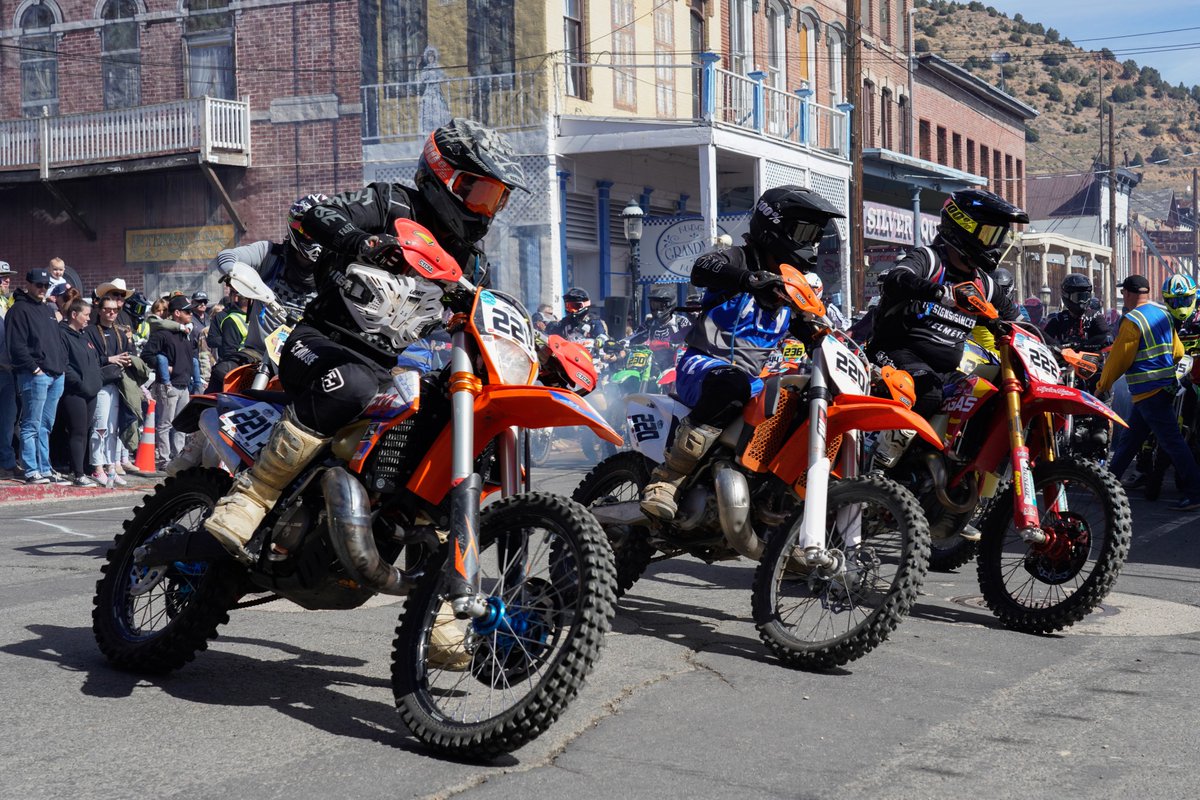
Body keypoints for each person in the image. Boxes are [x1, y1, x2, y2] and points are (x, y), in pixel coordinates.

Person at [204, 117, 528, 565]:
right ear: (444, 176)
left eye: (497, 198)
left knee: (454, 416)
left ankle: (422, 550)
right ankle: (252, 496)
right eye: (479, 193)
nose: (486, 209)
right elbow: (313, 213)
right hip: (320, 341)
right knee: (353, 383)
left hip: (390, 368)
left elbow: (476, 320)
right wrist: (363, 242)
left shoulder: (472, 263)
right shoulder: (389, 201)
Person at [640, 185, 846, 520]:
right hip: (704, 366)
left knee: (802, 400)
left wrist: (836, 346)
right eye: (804, 232)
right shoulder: (737, 257)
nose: (811, 243)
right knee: (731, 384)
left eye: (816, 235)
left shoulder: (793, 285)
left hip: (754, 381)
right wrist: (750, 279)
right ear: (776, 226)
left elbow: (811, 329)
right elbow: (702, 268)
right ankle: (668, 478)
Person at [866, 189, 1027, 417]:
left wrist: (1058, 350)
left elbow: (1020, 322)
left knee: (987, 397)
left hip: (945, 370)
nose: (995, 246)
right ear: (964, 228)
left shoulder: (984, 284)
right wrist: (940, 292)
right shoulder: (930, 260)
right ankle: (883, 452)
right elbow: (896, 278)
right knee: (929, 392)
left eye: (999, 237)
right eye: (990, 235)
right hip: (894, 354)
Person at [1097, 275, 1200, 512]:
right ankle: (1105, 485)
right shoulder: (1163, 314)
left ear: (1129, 293)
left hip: (1148, 392)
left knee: (1172, 442)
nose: (1123, 297)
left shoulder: (1132, 320)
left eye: (1123, 293)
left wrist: (1102, 385)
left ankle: (1194, 492)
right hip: (1163, 389)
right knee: (1129, 441)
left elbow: (1118, 360)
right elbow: (1178, 351)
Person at [207, 193, 330, 391]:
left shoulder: (337, 270)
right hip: (259, 352)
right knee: (223, 372)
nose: (315, 237)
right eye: (309, 231)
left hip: (311, 357)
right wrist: (234, 272)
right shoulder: (270, 255)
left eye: (322, 231)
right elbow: (226, 255)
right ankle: (197, 420)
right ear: (295, 228)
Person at [7, 269, 67, 484]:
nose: (42, 289)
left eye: (45, 285)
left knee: (45, 426)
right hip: (35, 375)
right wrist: (34, 369)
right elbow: (16, 345)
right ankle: (32, 470)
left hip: (55, 374)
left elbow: (57, 342)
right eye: (39, 285)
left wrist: (61, 367)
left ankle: (44, 468)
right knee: (31, 425)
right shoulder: (19, 310)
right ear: (29, 284)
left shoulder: (48, 309)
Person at [86, 294, 137, 486]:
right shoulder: (90, 331)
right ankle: (97, 467)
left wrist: (129, 360)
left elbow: (129, 354)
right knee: (99, 427)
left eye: (115, 310)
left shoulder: (120, 333)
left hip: (117, 384)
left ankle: (110, 467)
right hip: (100, 384)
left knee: (113, 429)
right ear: (99, 311)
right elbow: (88, 359)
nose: (111, 313)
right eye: (107, 309)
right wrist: (110, 359)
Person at [141, 295, 197, 468]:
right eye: (187, 311)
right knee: (165, 424)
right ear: (177, 313)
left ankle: (178, 458)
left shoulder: (184, 334)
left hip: (184, 385)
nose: (191, 314)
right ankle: (165, 459)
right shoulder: (162, 333)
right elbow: (146, 356)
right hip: (168, 385)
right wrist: (163, 366)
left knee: (181, 426)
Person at [58, 298, 103, 486]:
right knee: (77, 431)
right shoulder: (62, 334)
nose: (88, 318)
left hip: (91, 391)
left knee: (85, 431)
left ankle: (80, 469)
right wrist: (80, 384)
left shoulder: (84, 336)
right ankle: (77, 473)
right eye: (85, 314)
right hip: (75, 392)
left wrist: (96, 382)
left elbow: (94, 361)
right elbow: (65, 365)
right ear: (74, 315)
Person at [627, 284, 691, 372]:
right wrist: (622, 343)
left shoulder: (680, 322)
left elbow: (693, 338)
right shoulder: (649, 324)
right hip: (652, 363)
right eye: (654, 305)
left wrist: (676, 344)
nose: (657, 309)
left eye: (660, 306)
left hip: (675, 364)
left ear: (670, 304)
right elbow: (633, 337)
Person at [1043, 273, 1111, 351]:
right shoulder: (1059, 319)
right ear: (1066, 296)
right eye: (1078, 297)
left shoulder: (1095, 316)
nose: (1082, 301)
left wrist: (1082, 346)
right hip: (1064, 361)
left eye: (1085, 297)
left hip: (1092, 361)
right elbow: (1043, 339)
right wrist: (1056, 347)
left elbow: (1107, 335)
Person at [0, 262, 16, 480]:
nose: (7, 280)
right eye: (2, 277)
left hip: (8, 370)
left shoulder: (7, 304)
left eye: (7, 277)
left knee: (8, 421)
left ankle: (7, 462)